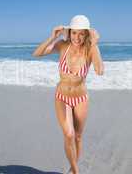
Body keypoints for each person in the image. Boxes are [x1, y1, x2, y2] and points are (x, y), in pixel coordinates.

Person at [32, 15, 104, 174]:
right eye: (73, 33)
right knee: (69, 135)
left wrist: (95, 44)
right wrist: (52, 37)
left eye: (81, 33)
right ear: (69, 32)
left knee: (78, 137)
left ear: (86, 34)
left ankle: (72, 169)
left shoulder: (90, 49)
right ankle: (76, 172)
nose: (77, 37)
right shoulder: (62, 46)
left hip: (80, 98)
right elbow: (36, 53)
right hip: (62, 96)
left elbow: (99, 71)